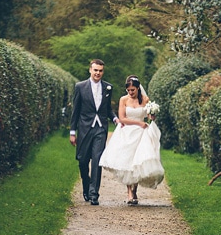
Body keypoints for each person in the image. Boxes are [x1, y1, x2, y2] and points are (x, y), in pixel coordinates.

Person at [99, 75, 164, 205]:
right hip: (127, 132)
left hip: (141, 135)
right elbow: (122, 118)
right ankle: (129, 192)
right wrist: (139, 124)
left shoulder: (145, 99)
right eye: (128, 90)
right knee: (127, 162)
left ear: (137, 88)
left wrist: (152, 115)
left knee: (137, 161)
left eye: (133, 90)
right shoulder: (124, 100)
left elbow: (149, 117)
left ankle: (135, 189)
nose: (130, 93)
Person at [70, 59, 120, 205]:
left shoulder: (108, 87)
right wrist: (73, 132)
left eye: (100, 71)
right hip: (85, 128)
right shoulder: (80, 87)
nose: (98, 73)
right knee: (83, 160)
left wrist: (115, 118)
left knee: (97, 160)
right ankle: (86, 187)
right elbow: (76, 110)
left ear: (103, 72)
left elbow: (107, 109)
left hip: (101, 129)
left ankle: (94, 194)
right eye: (95, 70)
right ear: (90, 70)